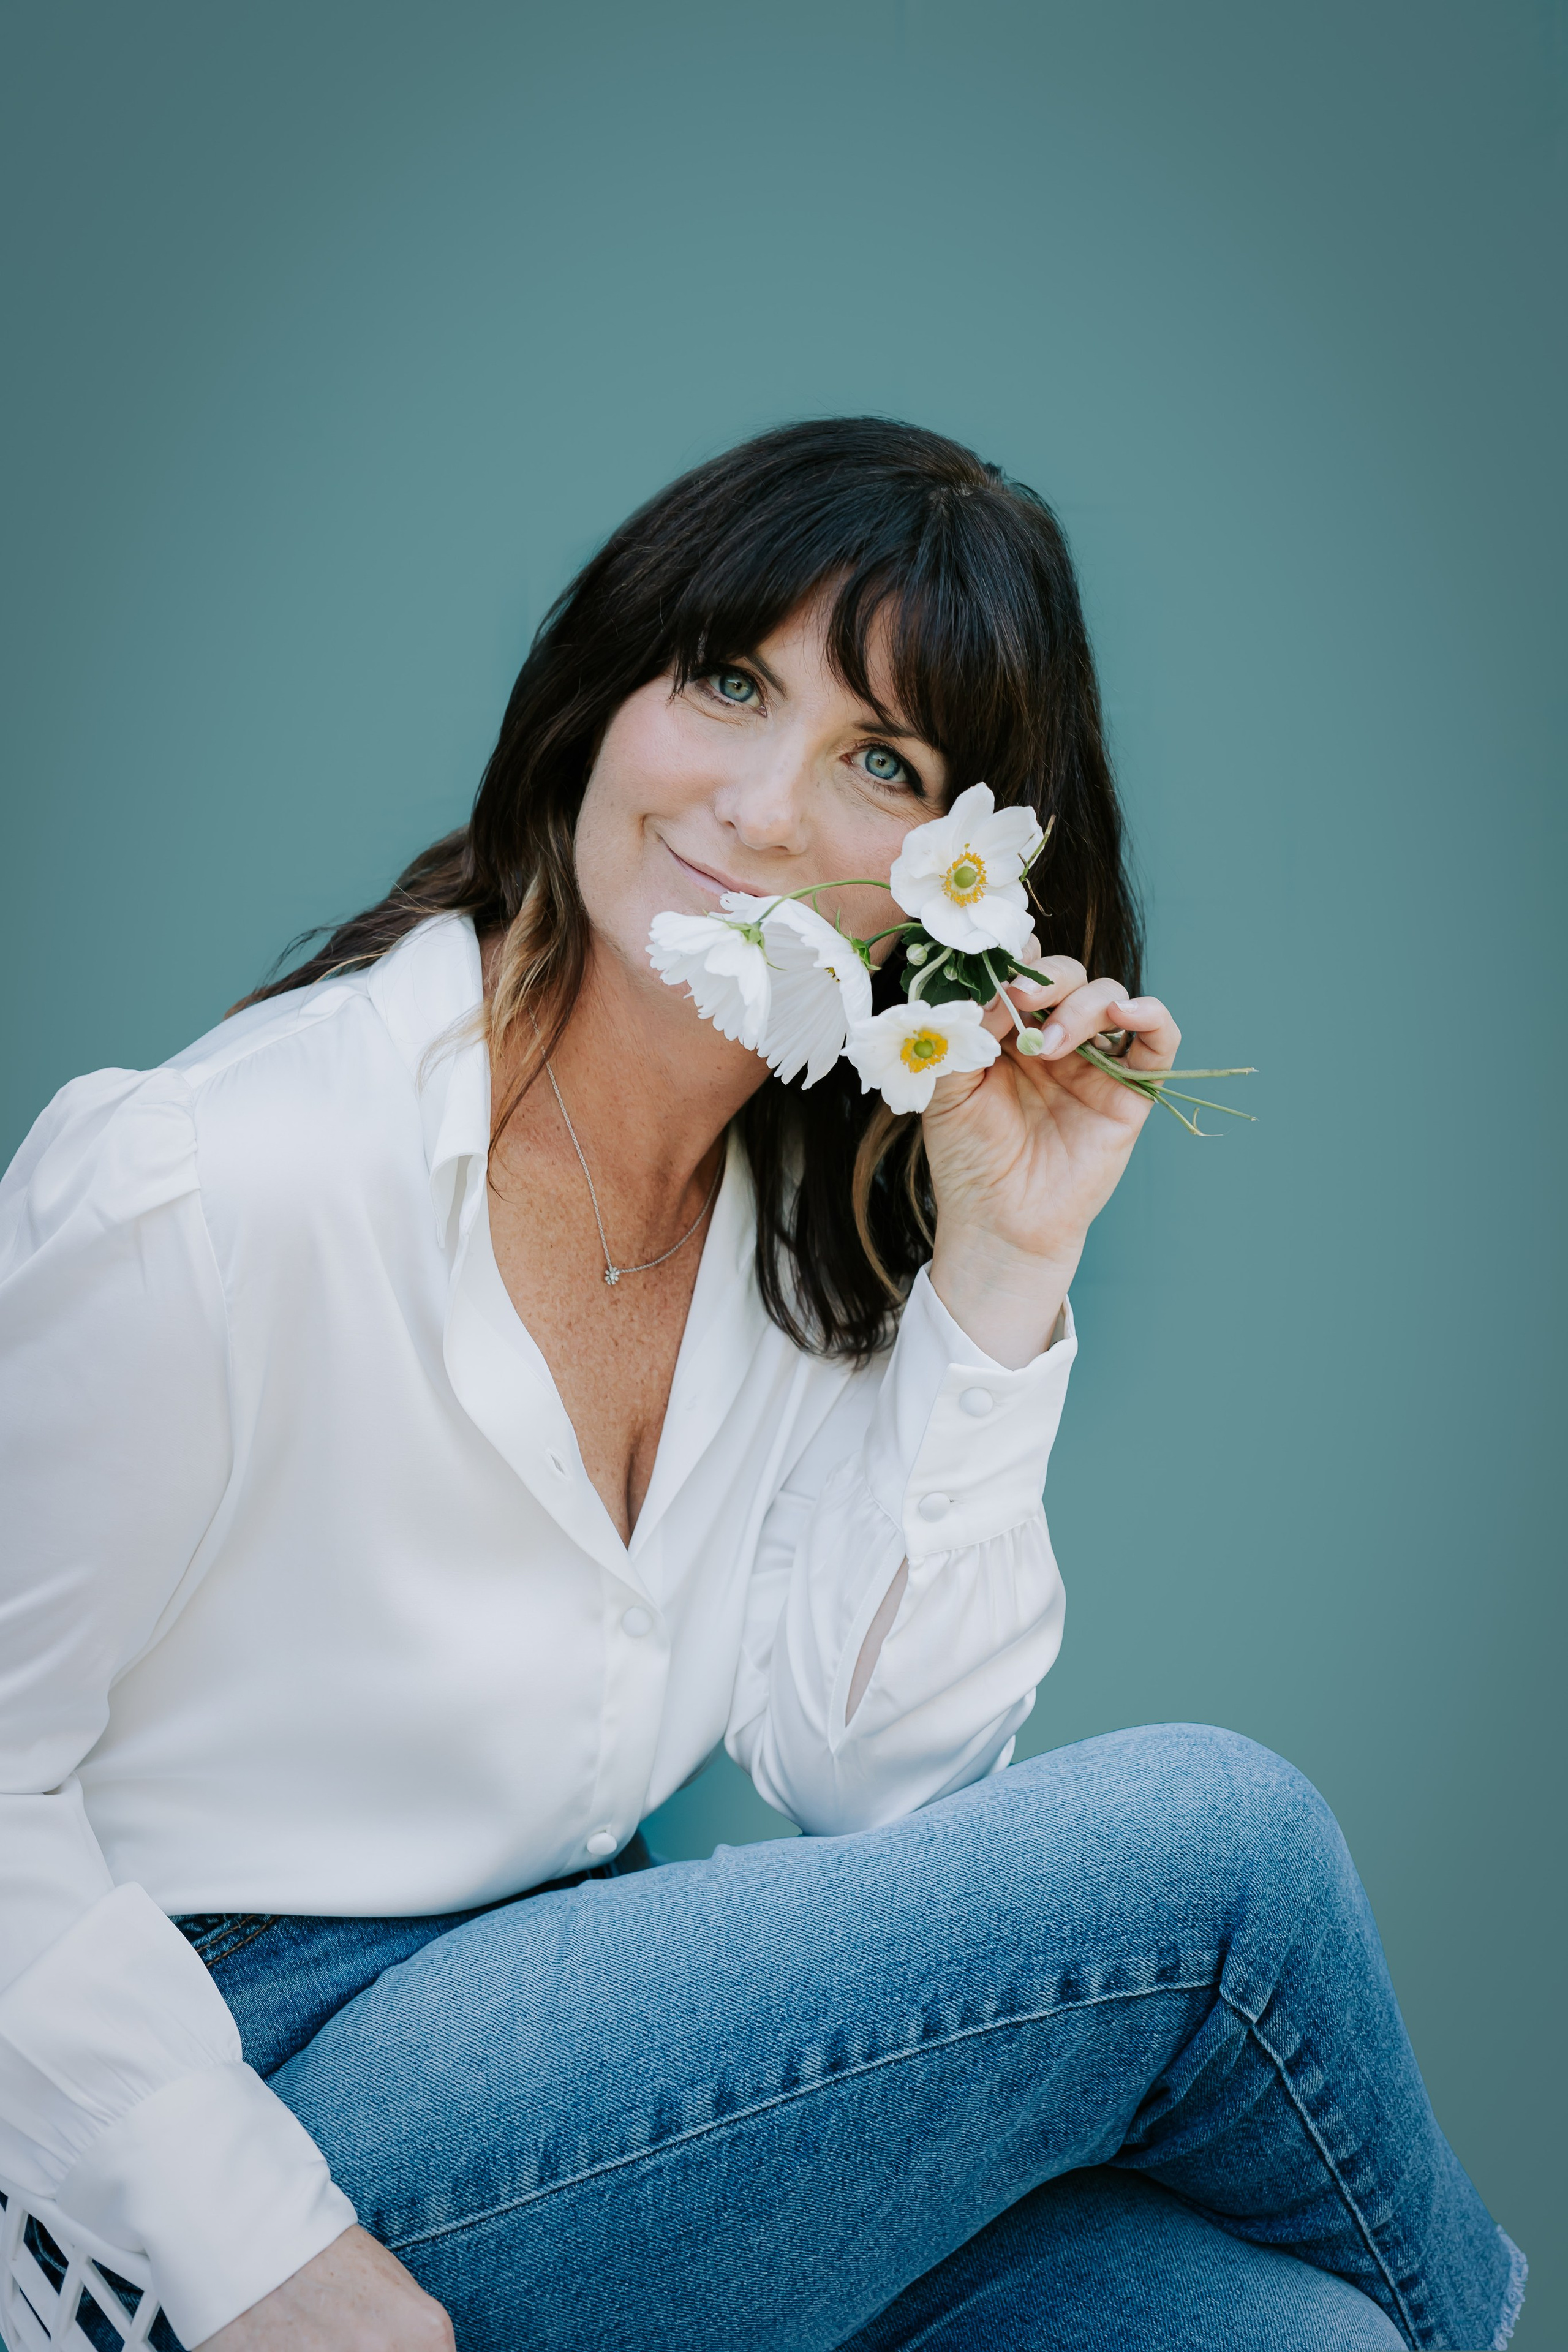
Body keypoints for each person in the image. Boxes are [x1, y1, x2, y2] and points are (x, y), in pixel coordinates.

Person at [0, 419, 1523, 2352]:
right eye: (727, 682)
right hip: (212, 2103)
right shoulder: (224, 1182)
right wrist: (259, 2261)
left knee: (1299, 2342)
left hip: (573, 2061)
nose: (762, 804)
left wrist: (1003, 1268)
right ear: (607, 691)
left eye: (880, 764)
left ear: (963, 888)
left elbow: (863, 1770)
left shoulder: (795, 1252)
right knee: (1226, 1851)